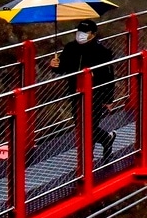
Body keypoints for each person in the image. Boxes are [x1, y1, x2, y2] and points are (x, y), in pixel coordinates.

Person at [49, 19, 117, 164]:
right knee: (80, 125)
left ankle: (87, 159)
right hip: (75, 92)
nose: (80, 35)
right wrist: (55, 65)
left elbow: (109, 76)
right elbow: (63, 68)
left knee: (89, 126)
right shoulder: (70, 48)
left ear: (93, 34)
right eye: (78, 31)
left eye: (84, 32)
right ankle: (106, 138)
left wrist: (109, 99)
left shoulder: (102, 51)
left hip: (95, 93)